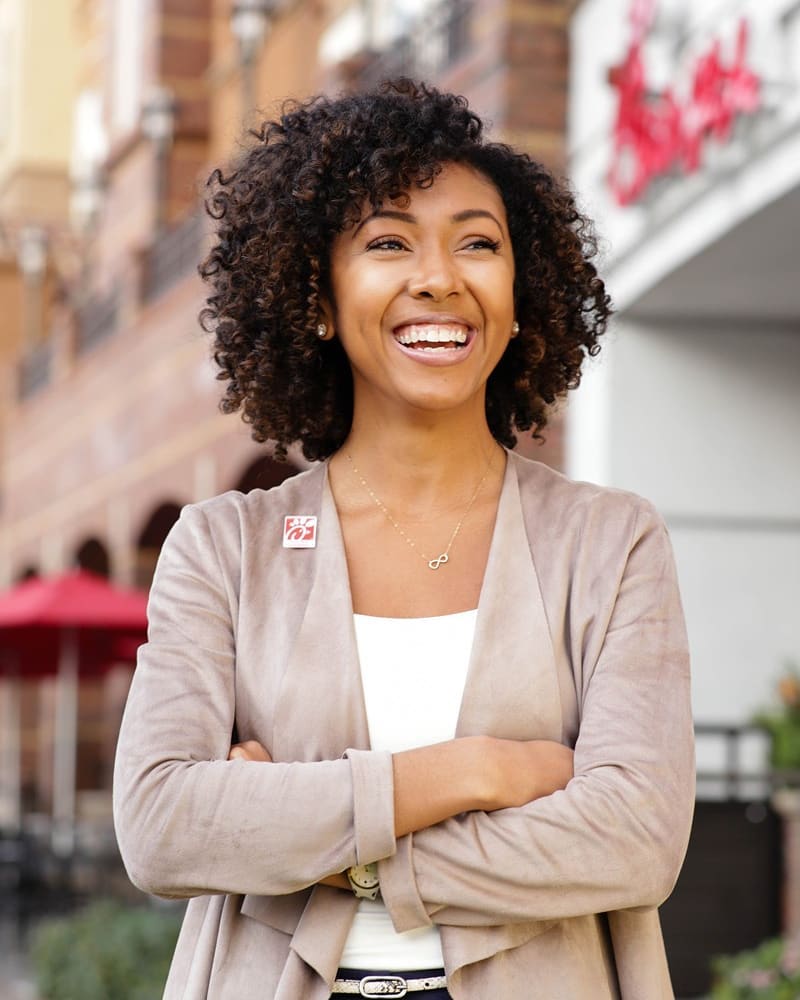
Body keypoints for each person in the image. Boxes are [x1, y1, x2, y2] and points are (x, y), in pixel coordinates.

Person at [113, 80, 694, 999]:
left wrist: (328, 850)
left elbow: (633, 839)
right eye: (388, 243)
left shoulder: (609, 542)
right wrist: (481, 772)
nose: (439, 277)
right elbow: (161, 824)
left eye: (478, 243)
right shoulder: (224, 548)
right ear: (316, 293)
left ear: (521, 293)